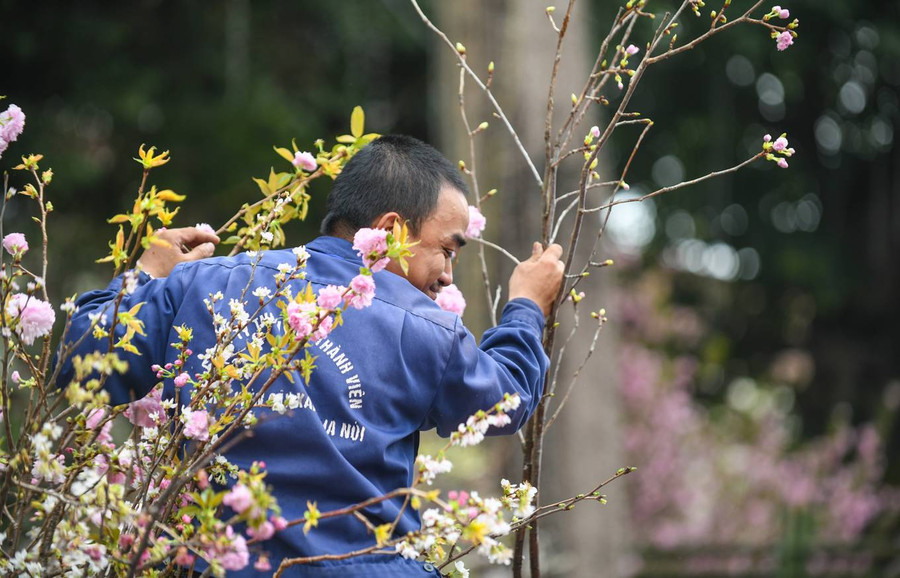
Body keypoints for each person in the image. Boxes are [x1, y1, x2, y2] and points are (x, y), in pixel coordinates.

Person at [63, 135, 564, 576]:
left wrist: (146, 276)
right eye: (448, 251)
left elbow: (83, 363)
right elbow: (508, 400)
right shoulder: (427, 329)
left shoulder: (202, 284)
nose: (449, 275)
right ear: (390, 228)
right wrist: (526, 307)